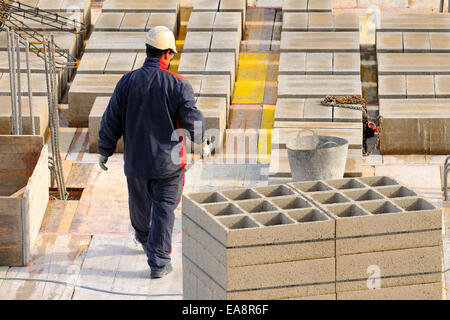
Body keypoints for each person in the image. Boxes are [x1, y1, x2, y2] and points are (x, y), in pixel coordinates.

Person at [97, 26, 207, 279]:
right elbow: (192, 119)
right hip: (168, 165)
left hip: (136, 162)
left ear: (147, 51)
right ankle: (158, 262)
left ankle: (144, 236)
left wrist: (105, 149)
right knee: (164, 208)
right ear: (167, 54)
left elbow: (111, 117)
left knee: (139, 203)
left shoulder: (127, 81)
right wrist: (203, 141)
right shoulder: (178, 84)